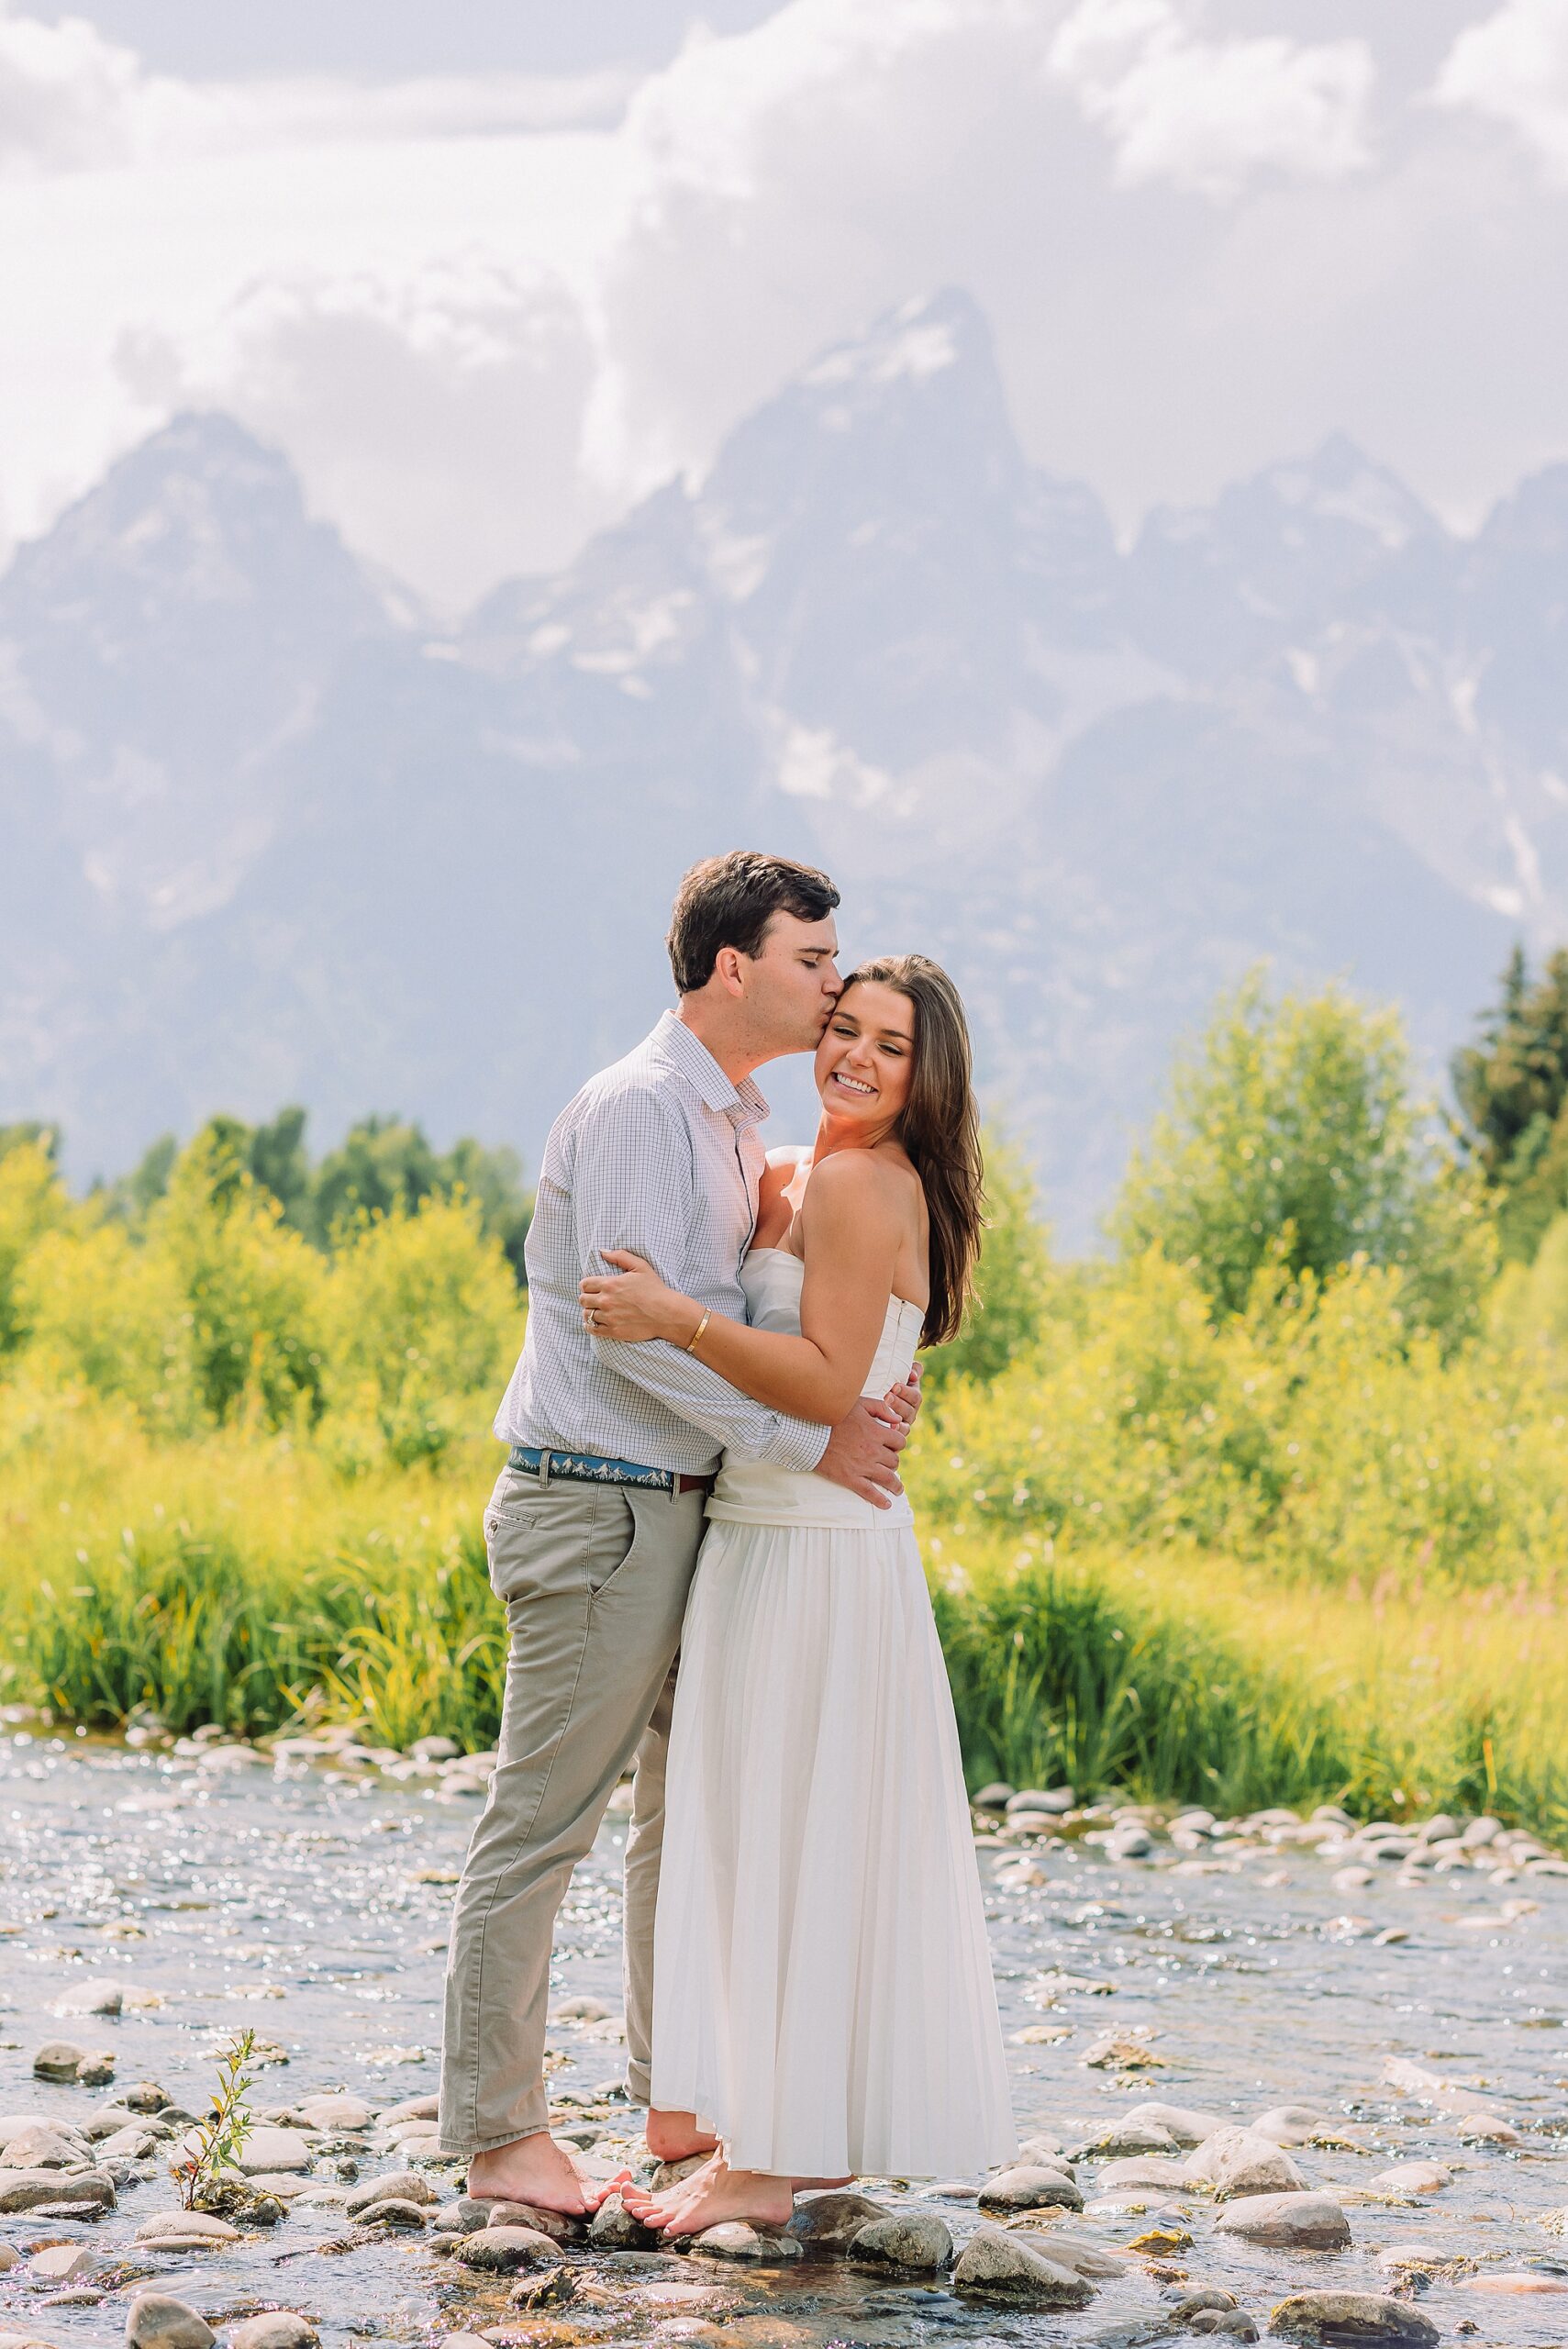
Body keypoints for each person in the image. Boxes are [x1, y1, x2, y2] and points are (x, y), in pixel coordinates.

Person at [438, 852, 921, 2213]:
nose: (832, 985)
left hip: (688, 1512)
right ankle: (498, 2136)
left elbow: (786, 1311)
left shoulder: (737, 1123)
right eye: (814, 962)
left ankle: (678, 2106)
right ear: (733, 966)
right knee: (544, 1821)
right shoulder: (644, 1109)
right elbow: (636, 1339)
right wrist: (811, 1443)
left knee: (681, 1818)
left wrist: (870, 1379)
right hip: (598, 1503)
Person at [579, 953, 1015, 2236]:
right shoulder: (782, 1173)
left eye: (892, 1045)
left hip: (820, 1546)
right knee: (744, 1831)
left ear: (928, 1079)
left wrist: (670, 1316)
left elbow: (827, 1385)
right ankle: (744, 2121)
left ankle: (771, 2159)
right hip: (750, 1533)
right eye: (846, 1028)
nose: (858, 1058)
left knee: (796, 1835)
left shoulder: (866, 1182)